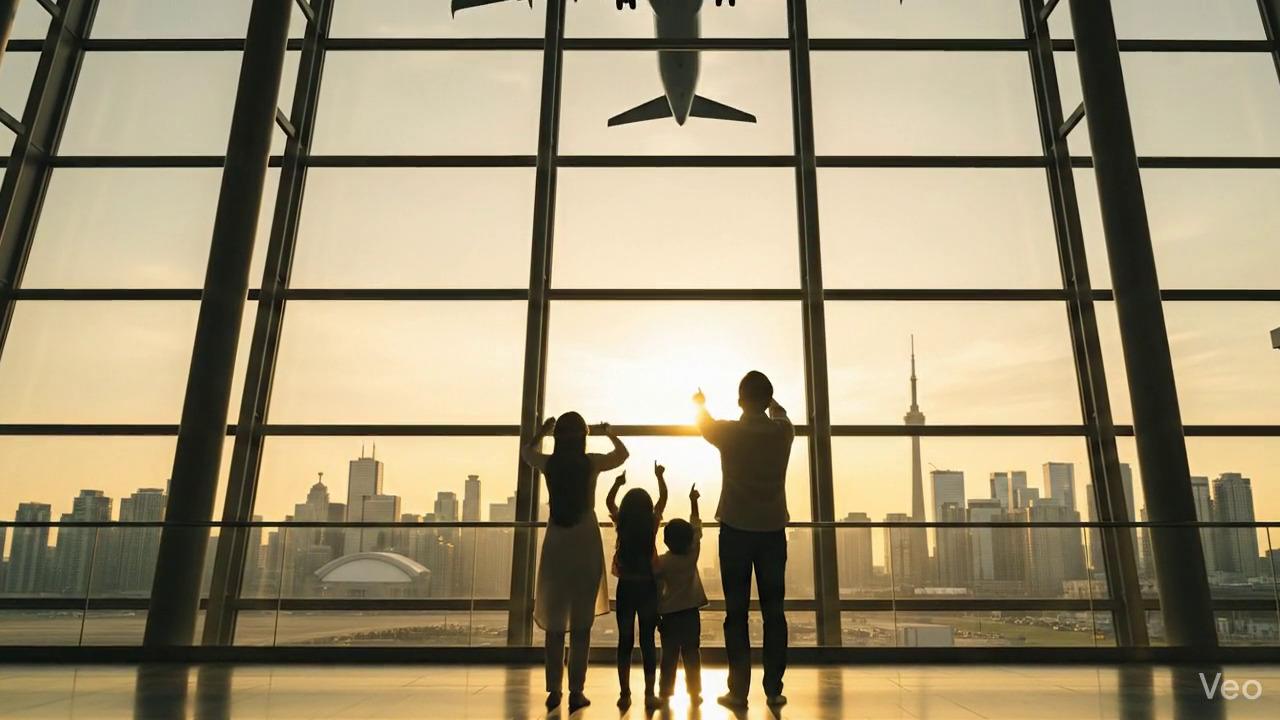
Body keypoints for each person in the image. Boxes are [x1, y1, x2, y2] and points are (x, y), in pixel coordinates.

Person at [694, 372, 794, 710]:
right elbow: (781, 412)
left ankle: (738, 692)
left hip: (735, 531)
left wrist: (700, 403)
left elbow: (703, 422)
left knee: (736, 613)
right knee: (774, 613)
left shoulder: (729, 432)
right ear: (767, 401)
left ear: (739, 401)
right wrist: (773, 403)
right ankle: (774, 689)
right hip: (771, 532)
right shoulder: (783, 433)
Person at [521, 413, 628, 713]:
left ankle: (553, 689)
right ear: (583, 436)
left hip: (556, 541)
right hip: (584, 540)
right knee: (581, 624)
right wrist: (609, 432)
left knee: (555, 624)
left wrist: (540, 431)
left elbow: (527, 453)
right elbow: (622, 455)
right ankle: (576, 691)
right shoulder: (591, 463)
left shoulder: (550, 465)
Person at [605, 463, 668, 711]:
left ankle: (624, 693)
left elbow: (610, 503)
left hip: (626, 588)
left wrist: (617, 484)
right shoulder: (650, 524)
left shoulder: (622, 523)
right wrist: (660, 477)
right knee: (648, 642)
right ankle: (650, 693)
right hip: (648, 588)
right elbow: (662, 500)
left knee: (625, 640)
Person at [656, 483, 708, 705]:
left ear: (666, 540)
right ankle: (694, 693)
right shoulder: (691, 556)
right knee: (691, 654)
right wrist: (694, 501)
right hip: (690, 613)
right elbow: (696, 528)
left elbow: (656, 588)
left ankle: (666, 692)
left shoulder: (662, 562)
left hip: (669, 614)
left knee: (669, 656)